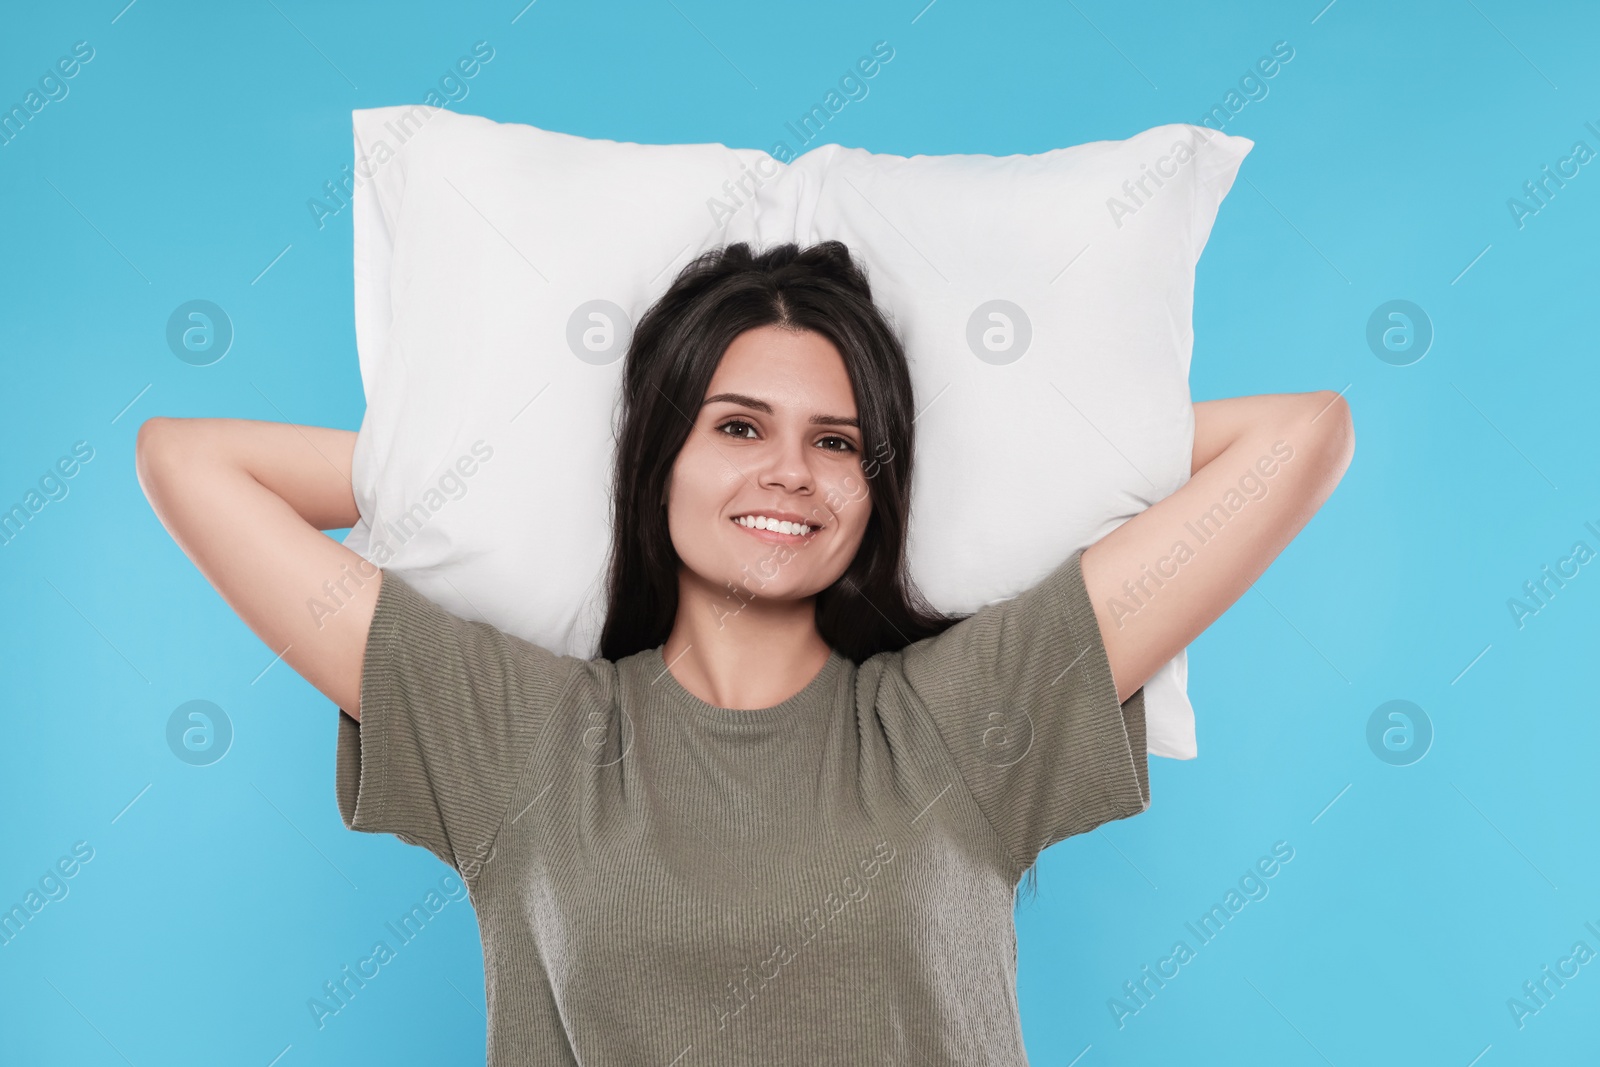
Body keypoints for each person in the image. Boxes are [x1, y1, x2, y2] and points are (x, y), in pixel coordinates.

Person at [135, 240, 1353, 1064]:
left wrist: (1013, 451)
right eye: (735, 426)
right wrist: (493, 471)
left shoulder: (968, 711)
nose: (789, 470)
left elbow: (1301, 436)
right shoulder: (511, 727)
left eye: (838, 442)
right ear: (655, 453)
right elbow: (190, 462)